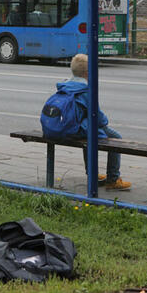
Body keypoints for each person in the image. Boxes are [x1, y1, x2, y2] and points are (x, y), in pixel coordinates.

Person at [56, 53, 131, 190]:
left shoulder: (65, 86)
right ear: (87, 73)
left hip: (65, 128)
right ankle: (113, 179)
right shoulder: (85, 90)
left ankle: (92, 174)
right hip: (76, 130)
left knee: (89, 134)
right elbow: (99, 118)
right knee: (116, 138)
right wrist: (105, 121)